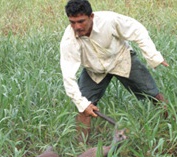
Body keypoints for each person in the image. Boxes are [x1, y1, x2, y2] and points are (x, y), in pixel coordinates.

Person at [60, 0, 169, 140]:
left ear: (91, 16)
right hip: (94, 70)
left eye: (81, 21)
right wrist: (83, 104)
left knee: (154, 95)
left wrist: (153, 56)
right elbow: (68, 75)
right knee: (84, 108)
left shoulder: (109, 21)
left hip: (121, 60)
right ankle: (81, 149)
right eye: (72, 22)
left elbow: (137, 30)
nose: (77, 27)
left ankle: (171, 127)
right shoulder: (69, 40)